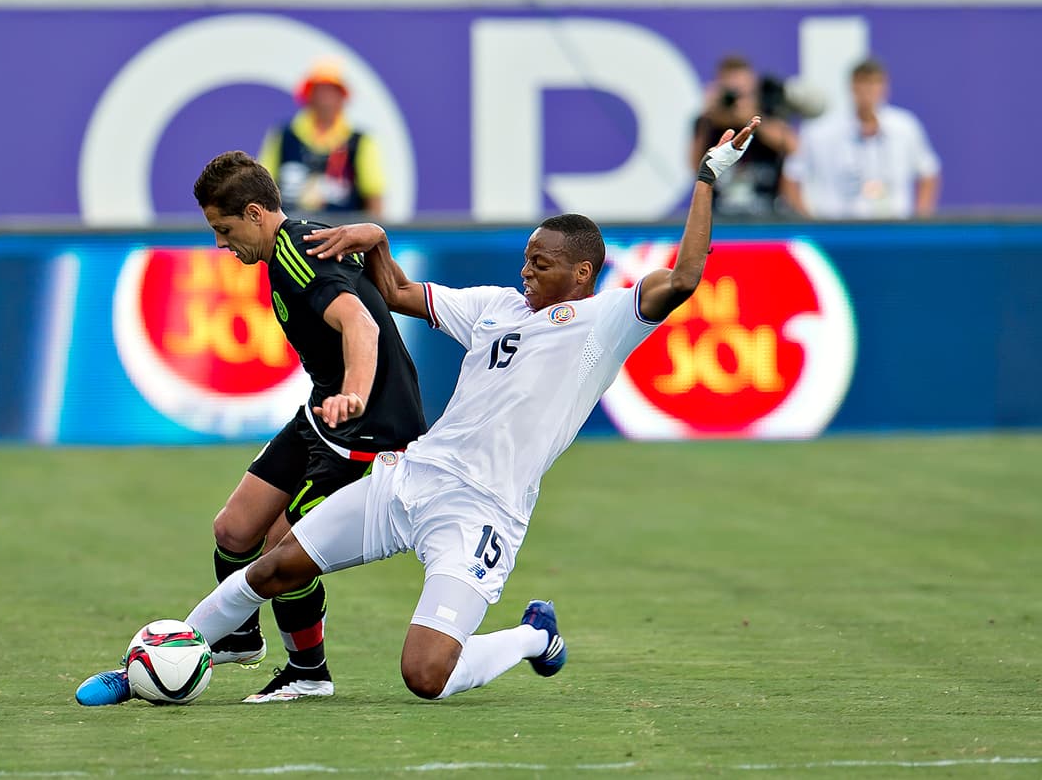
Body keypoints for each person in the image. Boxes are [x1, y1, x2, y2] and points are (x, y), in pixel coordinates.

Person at [76, 118, 761, 705]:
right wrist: (375, 237)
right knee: (274, 566)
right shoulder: (494, 306)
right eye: (526, 259)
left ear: (580, 273)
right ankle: (147, 668)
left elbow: (686, 275)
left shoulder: (605, 322)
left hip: (483, 512)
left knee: (426, 675)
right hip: (411, 476)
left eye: (541, 263)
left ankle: (533, 635)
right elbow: (399, 293)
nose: (526, 271)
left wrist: (707, 178)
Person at [77, 152, 426, 705]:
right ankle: (239, 636)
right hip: (323, 417)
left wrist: (355, 393)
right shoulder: (297, 242)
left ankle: (308, 673)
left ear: (256, 214)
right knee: (234, 531)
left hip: (366, 434)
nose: (220, 243)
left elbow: (361, 323)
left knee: (281, 553)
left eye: (224, 229)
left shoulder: (296, 257)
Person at [781, 58, 940, 220]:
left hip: (895, 226)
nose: (869, 90)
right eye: (863, 82)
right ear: (852, 86)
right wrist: (810, 224)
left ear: (885, 87)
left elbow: (928, 171)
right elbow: (791, 176)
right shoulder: (821, 132)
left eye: (875, 83)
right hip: (839, 228)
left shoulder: (905, 127)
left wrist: (920, 220)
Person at [258, 59, 387, 219]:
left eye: (332, 92)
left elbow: (374, 200)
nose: (326, 99)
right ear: (308, 96)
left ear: (342, 98)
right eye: (320, 91)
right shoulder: (283, 135)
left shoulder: (361, 142)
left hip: (344, 231)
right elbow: (261, 189)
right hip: (288, 230)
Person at [691, 56, 798, 219]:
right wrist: (709, 116)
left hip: (767, 215)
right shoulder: (707, 123)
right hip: (720, 215)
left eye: (743, 93)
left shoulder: (769, 115)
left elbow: (793, 148)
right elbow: (695, 167)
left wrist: (753, 121)